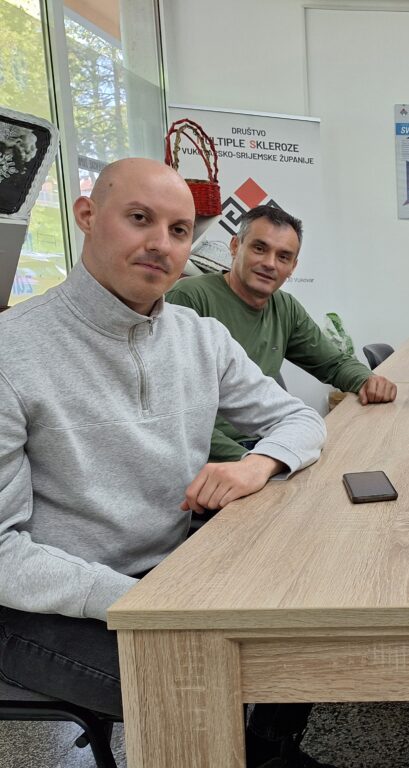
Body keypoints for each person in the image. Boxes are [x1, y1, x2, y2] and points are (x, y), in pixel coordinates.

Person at [0, 158, 334, 768]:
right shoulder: (13, 353)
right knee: (198, 684)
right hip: (43, 606)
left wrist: (256, 465)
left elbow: (299, 419)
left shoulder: (199, 337)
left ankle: (263, 752)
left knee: (302, 621)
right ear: (86, 216)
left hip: (166, 571)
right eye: (139, 218)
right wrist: (143, 603)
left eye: (179, 230)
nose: (161, 243)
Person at [166, 204, 396, 462]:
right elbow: (175, 412)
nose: (269, 263)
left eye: (283, 257)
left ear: (293, 266)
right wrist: (250, 462)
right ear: (235, 246)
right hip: (209, 457)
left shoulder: (284, 307)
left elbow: (332, 363)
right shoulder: (189, 298)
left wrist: (367, 380)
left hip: (265, 444)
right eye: (259, 248)